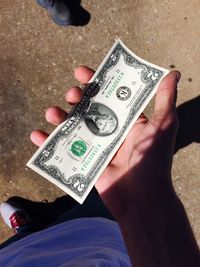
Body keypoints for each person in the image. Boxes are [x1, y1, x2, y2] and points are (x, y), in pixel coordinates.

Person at [0, 66, 200, 266]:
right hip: (109, 236)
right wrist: (141, 203)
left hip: (17, 254)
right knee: (91, 207)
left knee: (35, 241)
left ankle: (31, 231)